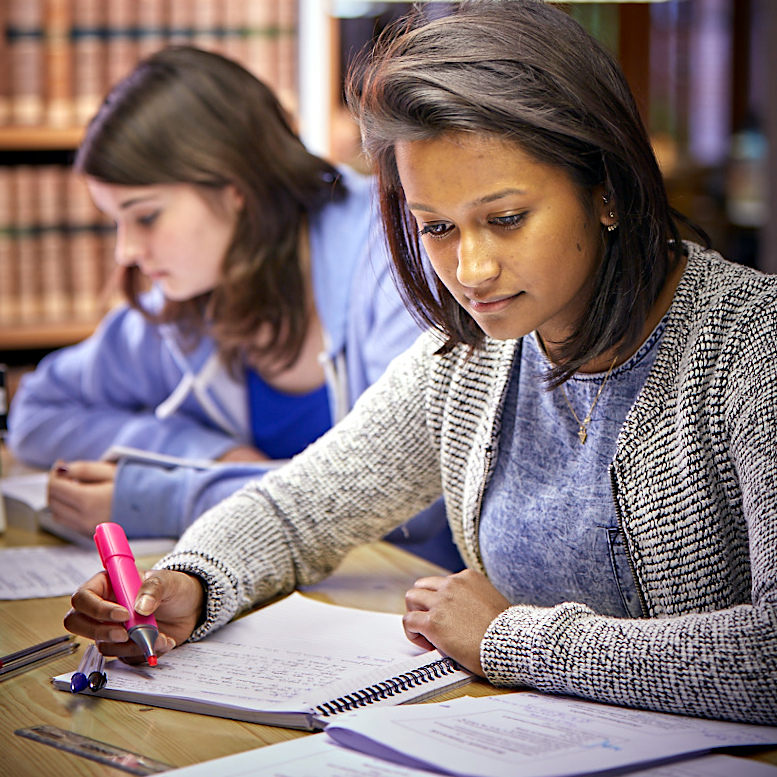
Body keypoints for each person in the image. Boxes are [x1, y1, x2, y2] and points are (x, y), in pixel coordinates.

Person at [63, 0, 776, 726]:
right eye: (435, 226)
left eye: (505, 219)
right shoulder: (468, 357)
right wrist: (193, 580)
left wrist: (508, 639)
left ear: (606, 191)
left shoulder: (752, 346)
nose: (469, 270)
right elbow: (298, 506)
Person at [6, 45, 461, 571]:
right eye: (115, 221)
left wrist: (166, 497)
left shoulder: (397, 253)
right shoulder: (189, 299)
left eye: (146, 216)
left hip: (404, 600)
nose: (125, 251)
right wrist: (206, 452)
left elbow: (410, 496)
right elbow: (37, 412)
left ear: (234, 189)